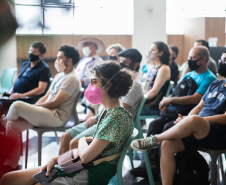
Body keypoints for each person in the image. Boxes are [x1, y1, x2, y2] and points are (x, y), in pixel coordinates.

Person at [0, 62, 134, 185]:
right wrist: (58, 159)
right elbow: (96, 148)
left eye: (94, 82)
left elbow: (86, 156)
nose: (89, 87)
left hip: (89, 174)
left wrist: (82, 139)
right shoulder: (110, 112)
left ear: (108, 86)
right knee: (8, 179)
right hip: (80, 166)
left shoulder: (116, 116)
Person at [131, 51, 226, 185]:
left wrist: (193, 120)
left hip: (219, 133)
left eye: (225, 60)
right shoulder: (216, 84)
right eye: (222, 60)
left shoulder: (209, 79)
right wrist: (186, 119)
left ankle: (155, 139)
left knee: (193, 120)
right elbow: (199, 107)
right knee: (168, 144)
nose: (222, 63)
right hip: (198, 130)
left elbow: (225, 118)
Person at [0, 45, 81, 176]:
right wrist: (31, 111)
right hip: (47, 114)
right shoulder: (59, 76)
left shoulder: (71, 78)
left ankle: (2, 122)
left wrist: (30, 110)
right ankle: (12, 164)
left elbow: (55, 103)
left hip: (57, 117)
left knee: (16, 105)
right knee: (12, 125)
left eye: (60, 58)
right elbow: (45, 97)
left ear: (69, 61)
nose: (57, 61)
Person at [59, 48, 143, 154]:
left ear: (135, 64)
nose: (121, 63)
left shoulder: (133, 85)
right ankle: (60, 167)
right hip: (104, 117)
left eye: (125, 61)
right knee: (65, 136)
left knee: (74, 143)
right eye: (120, 60)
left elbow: (121, 108)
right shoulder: (113, 86)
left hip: (110, 122)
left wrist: (97, 118)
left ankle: (66, 168)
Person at [141, 41, 171, 116]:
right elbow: (145, 87)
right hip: (146, 101)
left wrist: (139, 100)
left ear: (161, 53)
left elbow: (154, 92)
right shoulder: (152, 67)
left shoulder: (164, 68)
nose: (149, 52)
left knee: (128, 110)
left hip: (153, 106)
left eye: (152, 50)